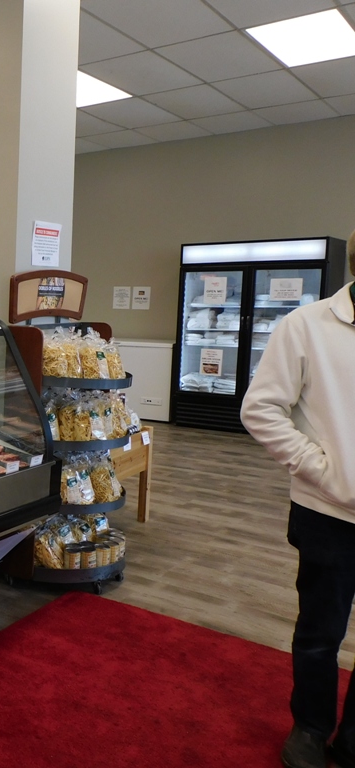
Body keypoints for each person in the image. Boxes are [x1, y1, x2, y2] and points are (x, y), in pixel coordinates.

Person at [241, 233, 355, 768]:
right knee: (319, 633)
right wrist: (320, 468)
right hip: (328, 512)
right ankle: (310, 727)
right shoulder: (306, 325)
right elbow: (261, 409)